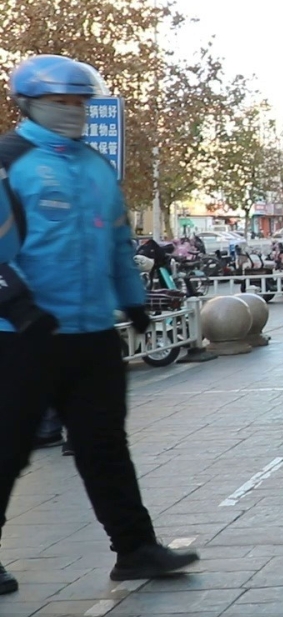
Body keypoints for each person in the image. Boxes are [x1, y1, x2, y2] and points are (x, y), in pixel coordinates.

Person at [0, 55, 198, 596]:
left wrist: (134, 301)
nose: (72, 110)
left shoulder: (94, 166)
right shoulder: (10, 161)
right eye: (60, 101)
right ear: (30, 104)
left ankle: (135, 550)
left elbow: (115, 241)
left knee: (104, 446)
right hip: (20, 337)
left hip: (90, 335)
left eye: (79, 102)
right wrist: (18, 306)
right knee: (8, 448)